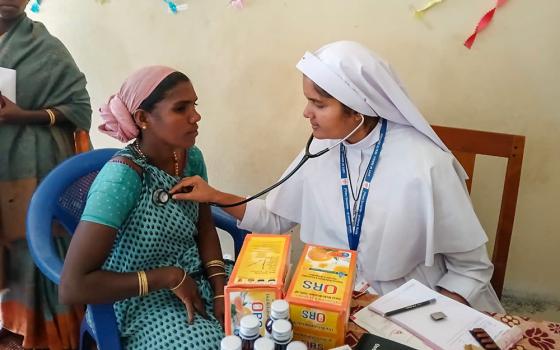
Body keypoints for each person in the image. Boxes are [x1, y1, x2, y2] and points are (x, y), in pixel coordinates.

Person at [171, 41, 505, 313]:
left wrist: (431, 319)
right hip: (327, 295)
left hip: (409, 304)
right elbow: (275, 220)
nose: (306, 113)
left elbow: (471, 268)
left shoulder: (426, 165)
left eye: (318, 104)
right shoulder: (322, 149)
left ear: (357, 108)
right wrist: (214, 195)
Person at [59, 66, 228, 350]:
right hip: (137, 296)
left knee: (262, 317)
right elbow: (73, 286)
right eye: (181, 108)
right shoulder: (121, 179)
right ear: (142, 118)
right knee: (208, 343)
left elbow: (205, 226)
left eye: (194, 105)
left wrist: (221, 289)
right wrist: (168, 277)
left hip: (194, 275)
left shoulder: (190, 157)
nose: (196, 116)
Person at [0, 0, 92, 348]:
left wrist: (23, 116)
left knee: (38, 248)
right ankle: (12, 324)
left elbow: (79, 108)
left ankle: (51, 335)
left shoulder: (46, 47)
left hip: (36, 170)